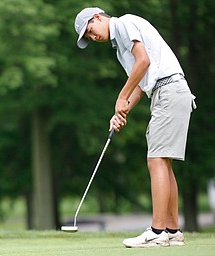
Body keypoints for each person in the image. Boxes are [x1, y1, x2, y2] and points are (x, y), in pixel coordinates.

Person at [74, 7, 196, 248]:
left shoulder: (124, 24)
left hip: (168, 91)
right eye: (88, 37)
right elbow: (140, 83)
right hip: (166, 93)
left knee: (156, 160)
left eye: (90, 30)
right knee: (163, 162)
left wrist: (120, 96)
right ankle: (172, 231)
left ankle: (157, 231)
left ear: (97, 17)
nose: (93, 37)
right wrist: (121, 111)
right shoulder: (120, 48)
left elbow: (144, 61)